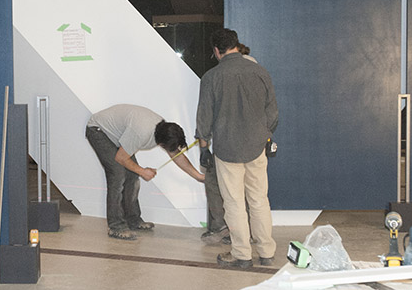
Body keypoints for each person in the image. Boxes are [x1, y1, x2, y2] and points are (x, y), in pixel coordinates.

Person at [196, 29, 279, 268]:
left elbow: (204, 118)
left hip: (227, 148)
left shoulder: (211, 77)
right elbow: (272, 113)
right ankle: (266, 252)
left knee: (233, 203)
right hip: (256, 147)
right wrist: (266, 135)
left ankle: (242, 254)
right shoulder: (260, 72)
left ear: (216, 50)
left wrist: (204, 147)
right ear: (236, 45)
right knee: (259, 200)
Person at [86, 104, 205, 240]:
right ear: (161, 143)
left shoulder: (163, 130)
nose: (171, 150)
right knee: (118, 175)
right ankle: (115, 227)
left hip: (115, 135)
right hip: (98, 130)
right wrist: (143, 171)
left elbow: (176, 155)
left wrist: (198, 176)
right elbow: (121, 158)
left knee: (132, 175)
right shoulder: (141, 132)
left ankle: (133, 220)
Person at [199, 42, 257, 245]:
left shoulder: (222, 73)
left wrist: (204, 146)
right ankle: (253, 236)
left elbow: (207, 112)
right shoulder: (257, 70)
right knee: (253, 193)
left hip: (228, 144)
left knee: (228, 192)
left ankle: (231, 236)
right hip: (253, 144)